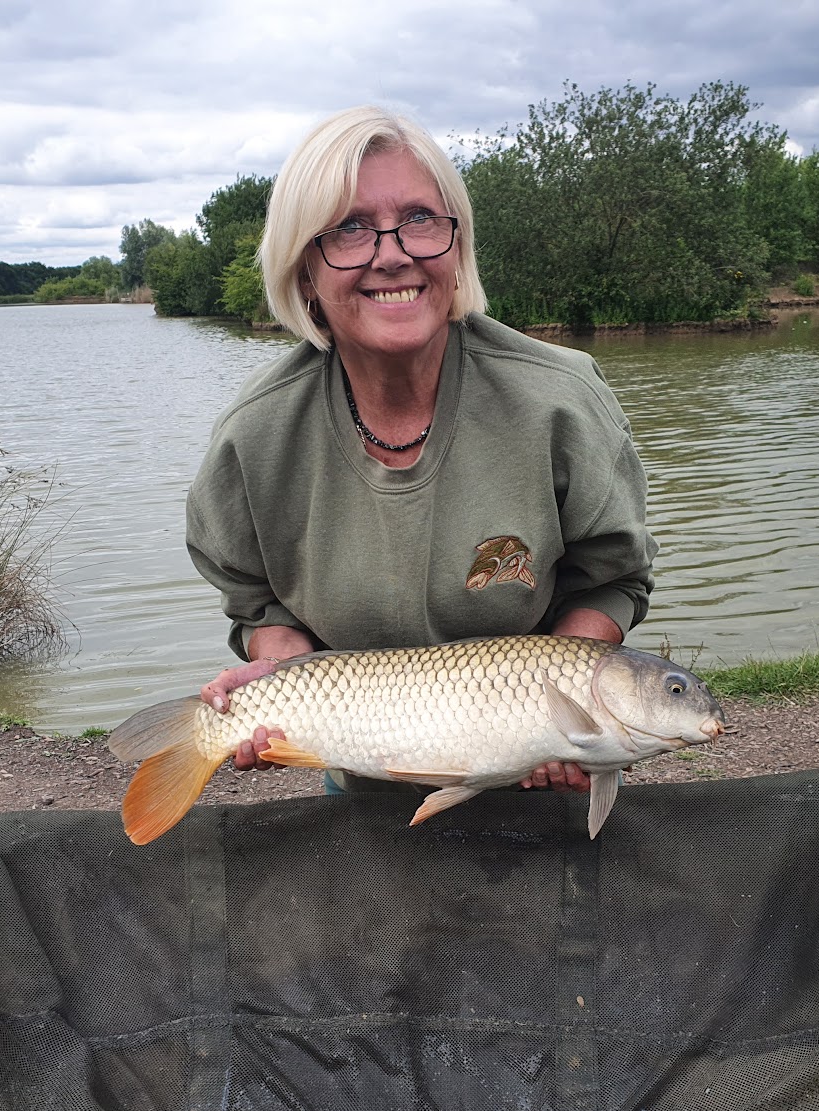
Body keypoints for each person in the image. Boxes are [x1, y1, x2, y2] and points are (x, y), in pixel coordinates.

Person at [186, 104, 658, 795]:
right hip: (359, 766)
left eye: (420, 219)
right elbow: (256, 599)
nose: (393, 253)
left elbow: (613, 578)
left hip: (535, 773)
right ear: (304, 270)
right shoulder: (253, 434)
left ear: (456, 247)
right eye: (349, 227)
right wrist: (279, 672)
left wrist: (565, 717)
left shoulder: (562, 399)